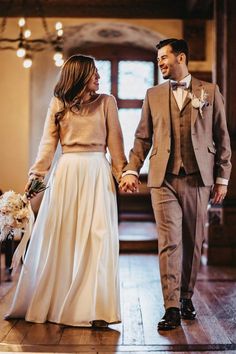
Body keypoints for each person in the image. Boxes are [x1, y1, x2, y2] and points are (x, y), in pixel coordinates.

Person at [5, 54, 127, 327]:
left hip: (97, 173)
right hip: (67, 173)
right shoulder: (58, 104)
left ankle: (96, 309)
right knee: (62, 237)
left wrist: (124, 175)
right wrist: (36, 176)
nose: (99, 77)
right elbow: (47, 145)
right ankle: (58, 304)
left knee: (98, 238)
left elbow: (116, 146)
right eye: (94, 73)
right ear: (81, 76)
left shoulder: (107, 102)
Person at [119, 38, 231, 331]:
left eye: (164, 57)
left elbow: (222, 137)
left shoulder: (210, 91)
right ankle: (170, 306)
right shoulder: (153, 94)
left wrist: (222, 178)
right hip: (163, 179)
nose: (160, 63)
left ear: (181, 57)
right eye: (157, 59)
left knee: (193, 241)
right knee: (169, 242)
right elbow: (142, 138)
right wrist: (132, 169)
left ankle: (185, 297)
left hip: (199, 178)